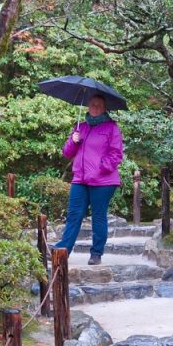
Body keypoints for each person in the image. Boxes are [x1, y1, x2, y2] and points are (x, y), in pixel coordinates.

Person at [51, 94, 123, 265]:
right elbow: (67, 153)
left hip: (103, 181)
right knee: (74, 215)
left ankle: (96, 254)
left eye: (99, 105)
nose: (95, 107)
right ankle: (63, 251)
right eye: (92, 104)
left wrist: (99, 169)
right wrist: (73, 141)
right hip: (80, 179)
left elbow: (116, 154)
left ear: (105, 108)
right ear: (87, 106)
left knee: (98, 216)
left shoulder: (112, 128)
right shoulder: (80, 127)